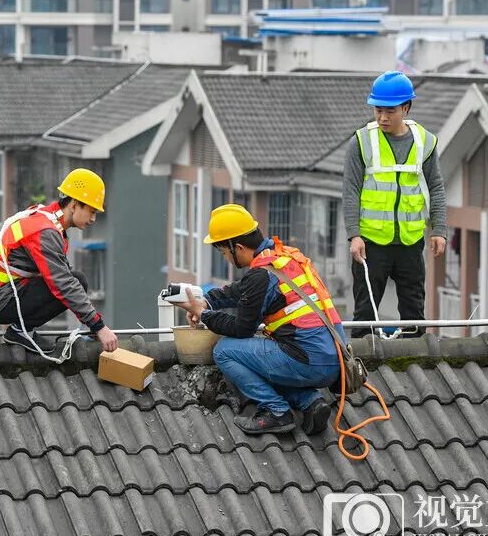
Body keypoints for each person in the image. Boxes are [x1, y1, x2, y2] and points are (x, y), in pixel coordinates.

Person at [175, 204, 345, 435]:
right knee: (264, 356)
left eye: (224, 252)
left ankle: (276, 411)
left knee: (226, 351)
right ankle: (310, 402)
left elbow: (242, 328)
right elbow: (243, 290)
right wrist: (206, 301)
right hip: (336, 362)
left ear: (239, 247)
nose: (225, 258)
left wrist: (204, 315)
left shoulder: (260, 275)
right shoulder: (285, 258)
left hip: (308, 362)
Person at [343, 71, 447, 339]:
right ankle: (364, 368)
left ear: (406, 107)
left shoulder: (425, 142)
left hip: (411, 243)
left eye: (389, 111)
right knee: (365, 318)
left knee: (414, 317)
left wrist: (439, 229)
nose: (382, 118)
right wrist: (354, 235)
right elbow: (350, 190)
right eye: (378, 110)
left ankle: (412, 369)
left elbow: (436, 186)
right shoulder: (361, 142)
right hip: (370, 243)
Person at [0, 168, 119, 355]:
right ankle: (21, 331)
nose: (93, 219)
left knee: (77, 281)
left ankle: (22, 329)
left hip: (5, 293)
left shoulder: (49, 220)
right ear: (74, 205)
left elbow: (64, 277)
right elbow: (63, 284)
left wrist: (92, 324)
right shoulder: (45, 232)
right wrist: (99, 326)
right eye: (91, 211)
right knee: (73, 283)